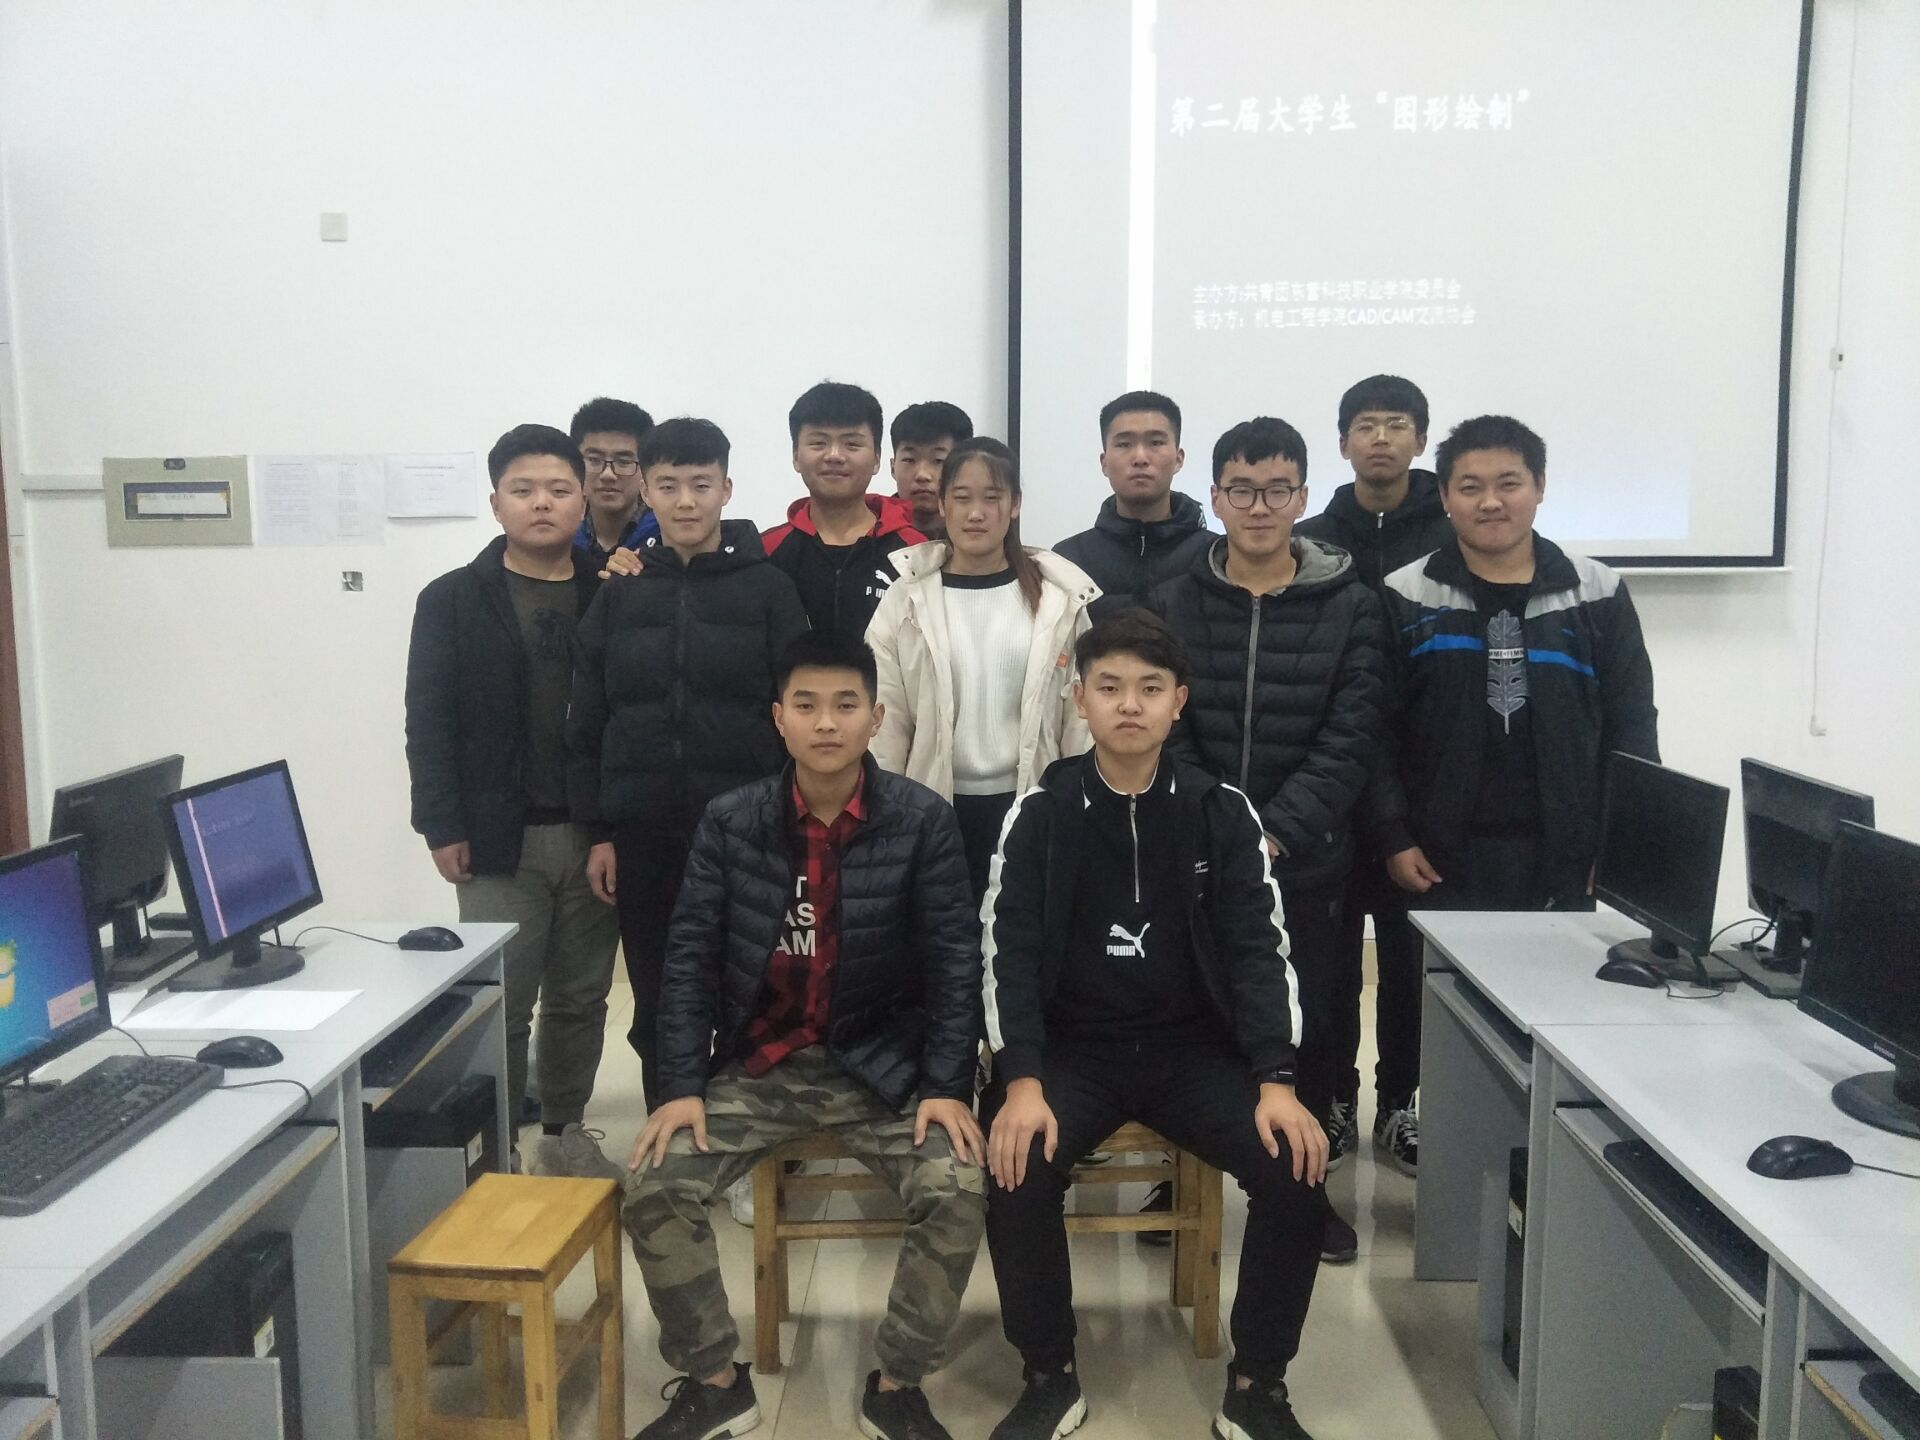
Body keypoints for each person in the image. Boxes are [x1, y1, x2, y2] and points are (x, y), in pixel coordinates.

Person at [623, 630, 987, 1440]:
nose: (827, 723)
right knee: (654, 1184)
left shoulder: (922, 821)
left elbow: (955, 960)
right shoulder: (731, 822)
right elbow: (688, 959)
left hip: (881, 1065)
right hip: (763, 1060)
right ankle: (715, 1380)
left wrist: (945, 1086)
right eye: (808, 705)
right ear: (778, 718)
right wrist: (680, 1086)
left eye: (846, 705)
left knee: (959, 1188)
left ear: (876, 718)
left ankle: (897, 1383)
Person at [980, 610, 1330, 1440]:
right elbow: (1006, 952)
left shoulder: (1222, 811)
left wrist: (1276, 1081)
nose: (1129, 705)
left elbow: (1259, 951)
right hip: (1073, 1053)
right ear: (1080, 699)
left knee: (1298, 1168)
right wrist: (1020, 1078)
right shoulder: (1041, 811)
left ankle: (1258, 1383)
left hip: (1191, 1052)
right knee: (1015, 1167)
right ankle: (1048, 1374)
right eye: (1109, 687)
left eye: (1149, 688)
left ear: (1179, 701)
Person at [1152, 416, 1387, 1264]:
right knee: (1190, 1016)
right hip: (1197, 850)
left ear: (1302, 496)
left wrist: (1276, 832)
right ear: (1215, 497)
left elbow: (1352, 735)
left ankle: (1303, 1196)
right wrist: (1221, 825)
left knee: (1310, 1028)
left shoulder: (1351, 604)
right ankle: (1178, 1182)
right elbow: (1166, 720)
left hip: (1309, 858)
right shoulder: (1175, 600)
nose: (1260, 507)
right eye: (1243, 491)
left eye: (1277, 490)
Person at [567, 417, 809, 1119]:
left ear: (726, 490)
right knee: (657, 993)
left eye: (701, 484)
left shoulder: (768, 589)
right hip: (643, 833)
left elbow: (796, 713)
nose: (685, 501)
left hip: (749, 831)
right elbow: (588, 723)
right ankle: (668, 1129)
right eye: (668, 485)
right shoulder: (620, 592)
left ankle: (745, 1138)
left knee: (750, 988)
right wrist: (600, 832)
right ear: (646, 491)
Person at [404, 423, 622, 1178]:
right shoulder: (452, 599)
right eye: (523, 490)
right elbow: (428, 719)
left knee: (581, 997)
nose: (542, 503)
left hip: (593, 831)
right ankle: (495, 1145)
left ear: (583, 500)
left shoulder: (612, 592)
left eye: (559, 489)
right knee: (502, 1001)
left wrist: (615, 826)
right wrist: (440, 823)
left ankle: (565, 1129)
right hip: (498, 836)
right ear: (496, 502)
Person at [1373, 413, 1659, 919]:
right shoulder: (1405, 594)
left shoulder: (1596, 593)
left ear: (1540, 486)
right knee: (1425, 974)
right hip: (1433, 857)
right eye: (1470, 487)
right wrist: (1392, 835)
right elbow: (1376, 730)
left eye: (1509, 484)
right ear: (1444, 496)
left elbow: (1632, 725)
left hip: (1564, 854)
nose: (1490, 502)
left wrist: (1620, 838)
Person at [1295, 376, 1455, 1176]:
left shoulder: (1453, 537)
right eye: (1366, 425)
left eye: (1397, 425)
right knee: (1325, 964)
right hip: (1328, 784)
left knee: (1406, 958)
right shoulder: (1314, 539)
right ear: (1344, 442)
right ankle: (1332, 1098)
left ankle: (1400, 1103)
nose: (1381, 438)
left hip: (1420, 790)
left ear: (1421, 439)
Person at [867, 437, 1099, 901]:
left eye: (992, 498)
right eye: (962, 497)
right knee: (942, 935)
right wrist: (886, 813)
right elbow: (885, 718)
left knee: (1021, 933)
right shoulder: (906, 598)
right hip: (930, 806)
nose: (976, 513)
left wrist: (1079, 804)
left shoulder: (1060, 599)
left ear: (1015, 505)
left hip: (1033, 805)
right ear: (943, 504)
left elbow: (1081, 718)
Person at [763, 380, 926, 635]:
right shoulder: (767, 551)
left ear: (877, 458)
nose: (834, 455)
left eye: (852, 444)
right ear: (796, 456)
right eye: (819, 443)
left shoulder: (916, 551)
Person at [1054, 390, 1214, 613]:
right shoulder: (1068, 560)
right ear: (1104, 463)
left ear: (1179, 459)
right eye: (1124, 444)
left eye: (1155, 442)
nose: (1140, 458)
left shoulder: (1213, 556)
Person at [568, 396, 658, 570]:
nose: (607, 474)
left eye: (623, 462)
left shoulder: (667, 539)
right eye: (594, 460)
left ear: (646, 468)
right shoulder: (561, 539)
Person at [890, 399, 974, 542]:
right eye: (909, 460)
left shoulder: (981, 536)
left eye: (939, 460)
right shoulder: (870, 535)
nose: (922, 475)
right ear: (893, 468)